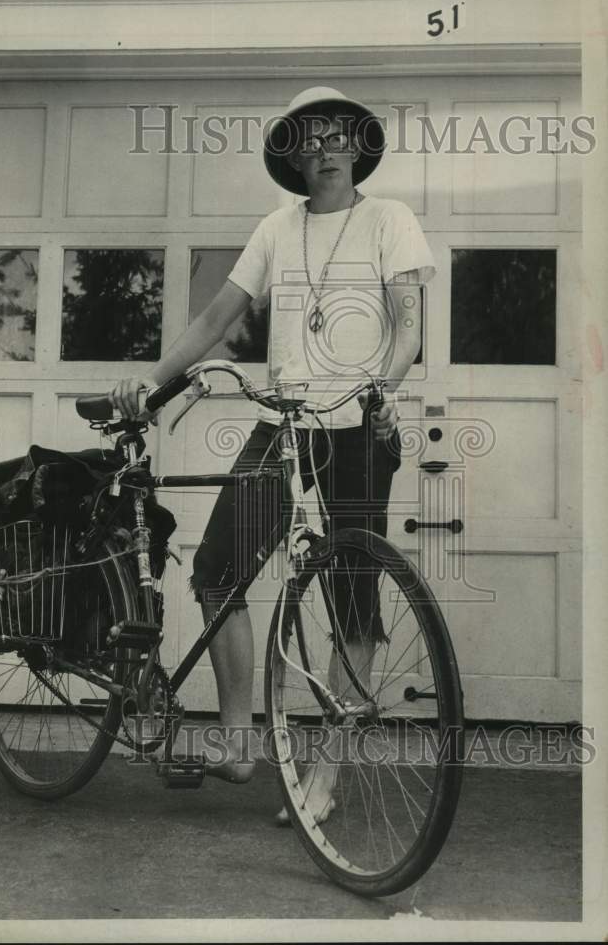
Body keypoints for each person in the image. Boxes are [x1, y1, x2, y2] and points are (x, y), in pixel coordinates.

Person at [111, 86, 436, 815]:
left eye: (335, 136)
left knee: (353, 601)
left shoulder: (391, 220)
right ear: (294, 154)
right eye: (309, 138)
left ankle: (326, 773)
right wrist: (150, 380)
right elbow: (214, 320)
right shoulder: (275, 229)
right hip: (283, 422)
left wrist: (382, 389)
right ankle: (236, 743)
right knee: (218, 569)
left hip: (357, 424)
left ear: (357, 148)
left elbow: (409, 326)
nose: (323, 148)